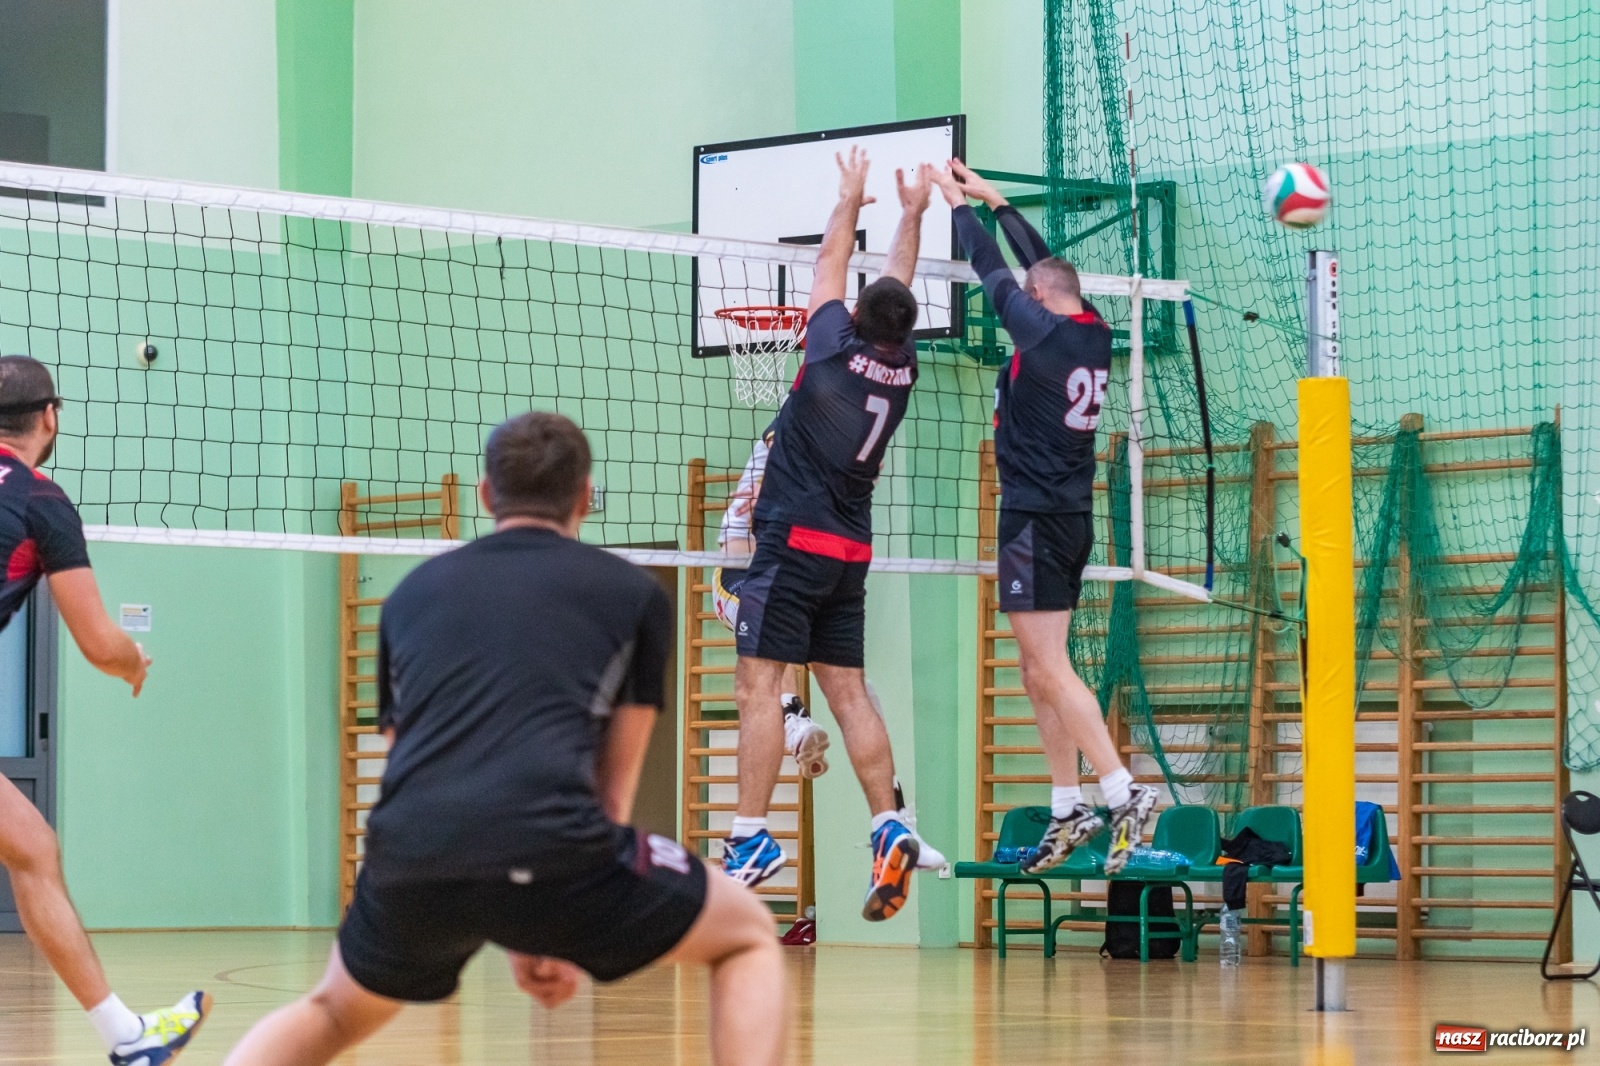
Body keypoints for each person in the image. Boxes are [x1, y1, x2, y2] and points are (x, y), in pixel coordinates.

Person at [223, 411, 785, 1066]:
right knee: (746, 934)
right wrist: (548, 926)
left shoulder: (409, 596)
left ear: (487, 496)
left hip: (408, 852)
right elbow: (611, 791)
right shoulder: (633, 596)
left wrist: (530, 923)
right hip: (553, 847)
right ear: (584, 497)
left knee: (333, 1009)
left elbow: (409, 759)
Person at [722, 147, 944, 922]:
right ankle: (890, 823)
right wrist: (914, 213)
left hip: (791, 543)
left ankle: (750, 836)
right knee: (846, 689)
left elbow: (829, 258)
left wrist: (851, 196)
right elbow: (896, 288)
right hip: (849, 552)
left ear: (853, 319)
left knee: (757, 687)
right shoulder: (904, 362)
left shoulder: (828, 351)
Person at [932, 161, 1159, 876]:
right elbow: (1037, 262)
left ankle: (1124, 791)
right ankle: (1068, 809)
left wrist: (955, 207)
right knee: (1035, 672)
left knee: (1050, 666)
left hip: (1032, 519)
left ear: (1037, 301)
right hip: (1068, 518)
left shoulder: (1037, 332)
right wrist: (995, 198)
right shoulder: (1091, 329)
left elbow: (991, 268)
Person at [0, 355, 210, 1066]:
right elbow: (97, 643)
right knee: (33, 850)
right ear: (50, 417)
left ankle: (126, 1038)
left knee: (31, 847)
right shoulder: (40, 501)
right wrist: (131, 662)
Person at [712, 421, 830, 779]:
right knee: (772, 612)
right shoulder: (790, 434)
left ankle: (799, 737)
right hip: (735, 581)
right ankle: (792, 716)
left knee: (844, 676)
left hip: (784, 586)